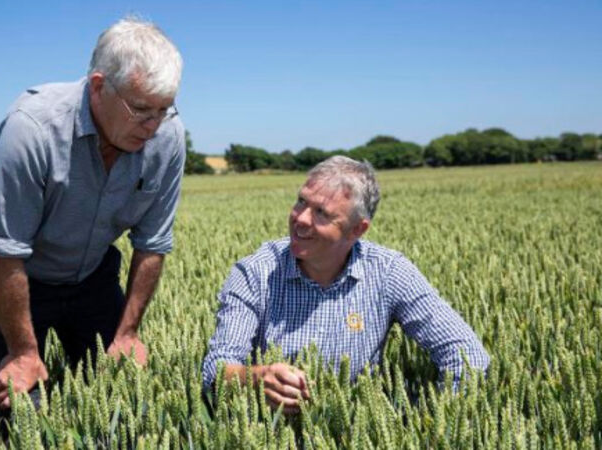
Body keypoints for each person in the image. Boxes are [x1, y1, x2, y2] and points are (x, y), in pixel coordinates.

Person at [0, 17, 185, 412]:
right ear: (98, 86)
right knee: (21, 406)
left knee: (123, 397)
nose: (152, 126)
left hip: (91, 272)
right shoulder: (33, 128)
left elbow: (152, 244)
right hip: (15, 271)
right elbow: (5, 250)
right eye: (141, 109)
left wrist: (127, 333)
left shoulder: (168, 135)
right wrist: (23, 353)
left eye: (163, 110)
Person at [201, 156, 490, 414]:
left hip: (356, 429)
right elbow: (216, 368)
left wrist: (436, 428)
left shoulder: (389, 272)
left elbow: (468, 355)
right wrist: (255, 378)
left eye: (322, 213)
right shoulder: (255, 272)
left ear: (357, 229)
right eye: (301, 202)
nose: (300, 219)